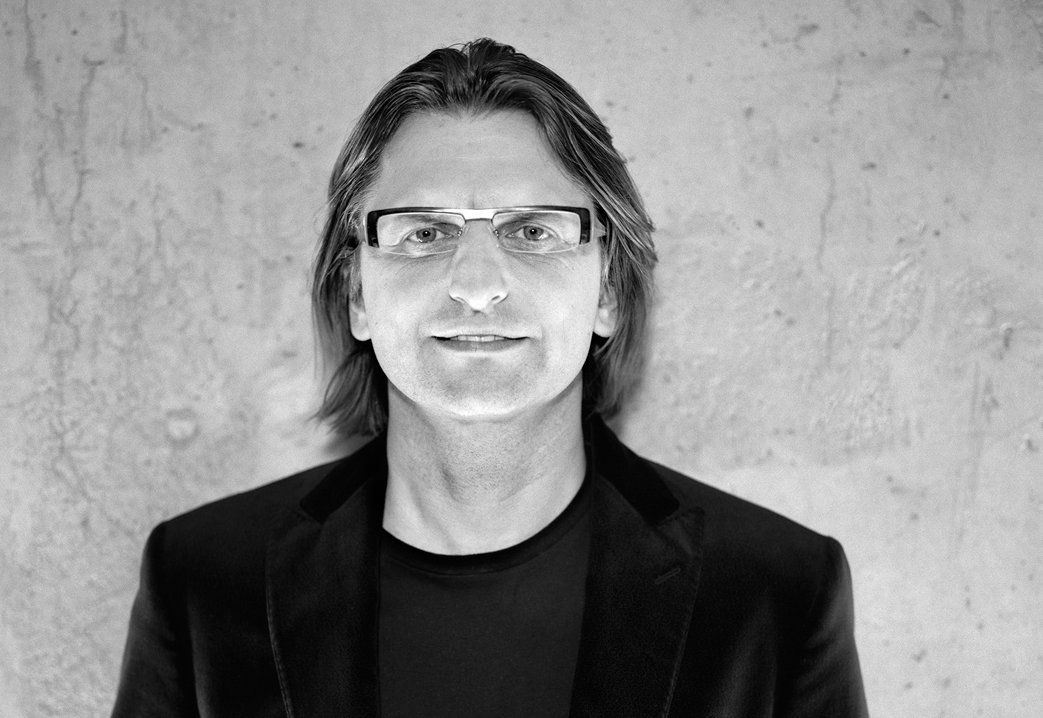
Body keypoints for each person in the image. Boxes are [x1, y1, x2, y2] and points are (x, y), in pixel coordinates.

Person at [113, 38, 868, 717]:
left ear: (606, 290)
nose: (476, 285)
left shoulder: (775, 593)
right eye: (424, 232)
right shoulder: (204, 582)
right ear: (356, 293)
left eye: (532, 230)